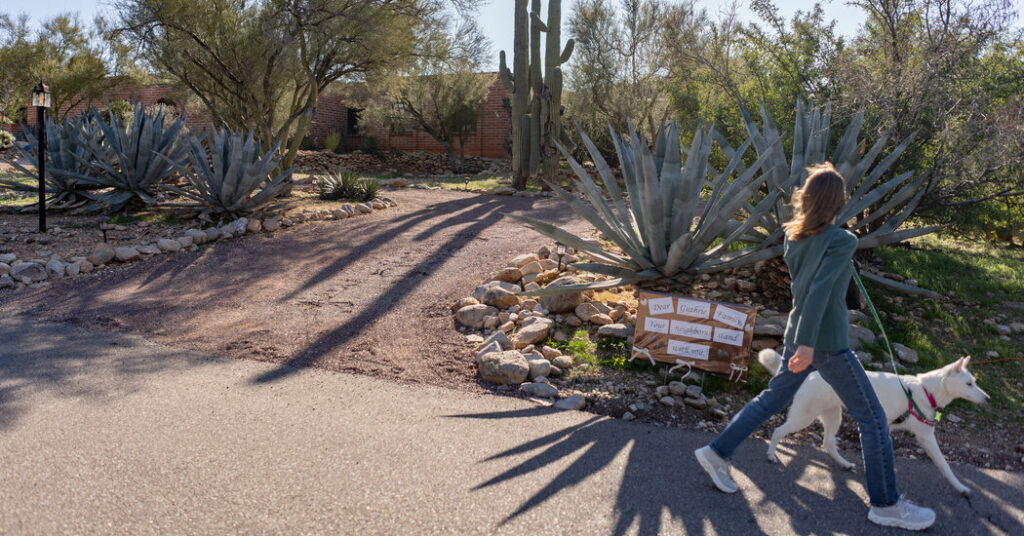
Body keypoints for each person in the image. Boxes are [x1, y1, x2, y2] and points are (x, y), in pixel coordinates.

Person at [693, 163, 936, 531]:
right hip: (824, 343)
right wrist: (808, 347)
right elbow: (819, 291)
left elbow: (810, 289)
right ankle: (886, 504)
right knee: (872, 419)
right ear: (838, 202)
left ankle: (715, 452)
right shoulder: (843, 241)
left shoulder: (793, 236)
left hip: (799, 333)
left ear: (805, 199)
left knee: (771, 400)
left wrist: (801, 343)